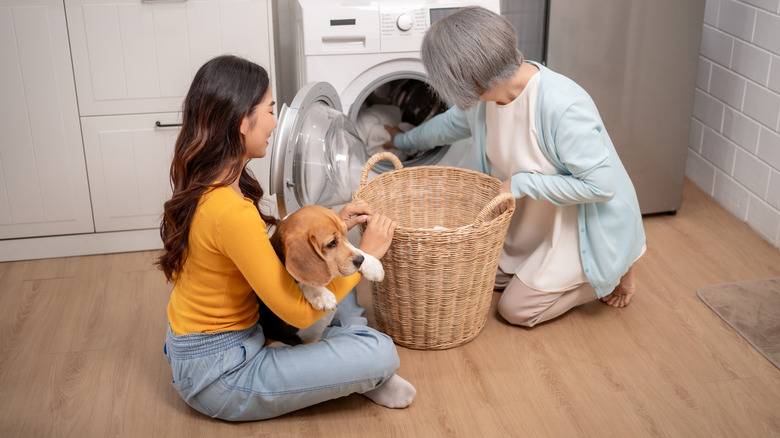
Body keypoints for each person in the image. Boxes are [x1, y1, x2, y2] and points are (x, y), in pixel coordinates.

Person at [156, 55, 415, 421]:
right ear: (240, 121)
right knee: (380, 350)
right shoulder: (231, 212)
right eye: (270, 110)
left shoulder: (212, 187)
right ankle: (357, 369)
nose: (275, 124)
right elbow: (294, 311)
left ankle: (340, 366)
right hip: (223, 375)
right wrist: (366, 255)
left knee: (335, 284)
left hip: (205, 347)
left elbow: (268, 259)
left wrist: (332, 233)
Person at [384, 7, 646, 328]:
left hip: (582, 223)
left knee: (515, 311)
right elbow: (445, 126)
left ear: (472, 77)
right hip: (534, 221)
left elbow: (601, 187)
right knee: (480, 276)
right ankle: (540, 266)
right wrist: (402, 141)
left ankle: (615, 270)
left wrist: (521, 184)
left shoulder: (563, 106)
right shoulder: (486, 100)